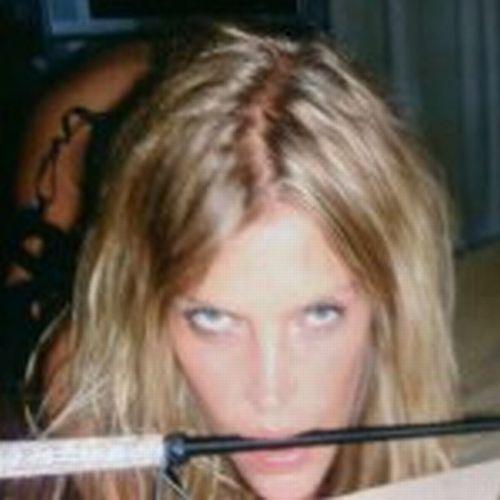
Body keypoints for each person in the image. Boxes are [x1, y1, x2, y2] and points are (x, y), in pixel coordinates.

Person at [32, 23, 458, 499]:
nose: (270, 401)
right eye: (212, 319)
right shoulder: (97, 408)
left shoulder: (405, 349)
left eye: (320, 313)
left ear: (393, 296)